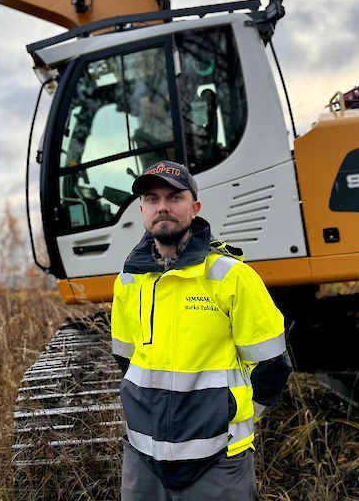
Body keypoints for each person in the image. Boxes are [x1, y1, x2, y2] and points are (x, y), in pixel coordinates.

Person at [111, 160, 292, 500]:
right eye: (152, 199)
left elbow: (272, 367)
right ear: (142, 209)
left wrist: (228, 416)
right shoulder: (127, 282)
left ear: (194, 208)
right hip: (142, 455)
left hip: (217, 460)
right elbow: (126, 361)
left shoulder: (232, 277)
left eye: (174, 197)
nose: (162, 206)